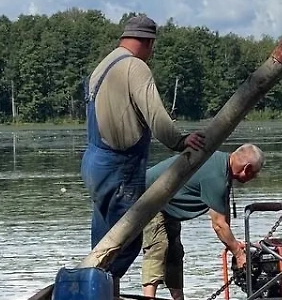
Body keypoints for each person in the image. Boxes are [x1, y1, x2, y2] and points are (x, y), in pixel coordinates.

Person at [80, 15, 206, 282]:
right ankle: (99, 292)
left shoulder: (102, 67)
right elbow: (155, 115)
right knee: (126, 240)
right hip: (119, 167)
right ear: (149, 42)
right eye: (152, 47)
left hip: (94, 163)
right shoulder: (135, 67)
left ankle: (103, 295)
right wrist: (180, 141)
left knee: (102, 244)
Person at [141, 144, 264, 300]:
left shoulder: (223, 167)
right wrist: (239, 255)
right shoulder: (216, 177)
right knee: (158, 246)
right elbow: (218, 225)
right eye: (255, 173)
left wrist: (234, 243)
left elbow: (223, 214)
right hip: (149, 197)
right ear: (247, 168)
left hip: (168, 204)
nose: (254, 177)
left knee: (175, 252)